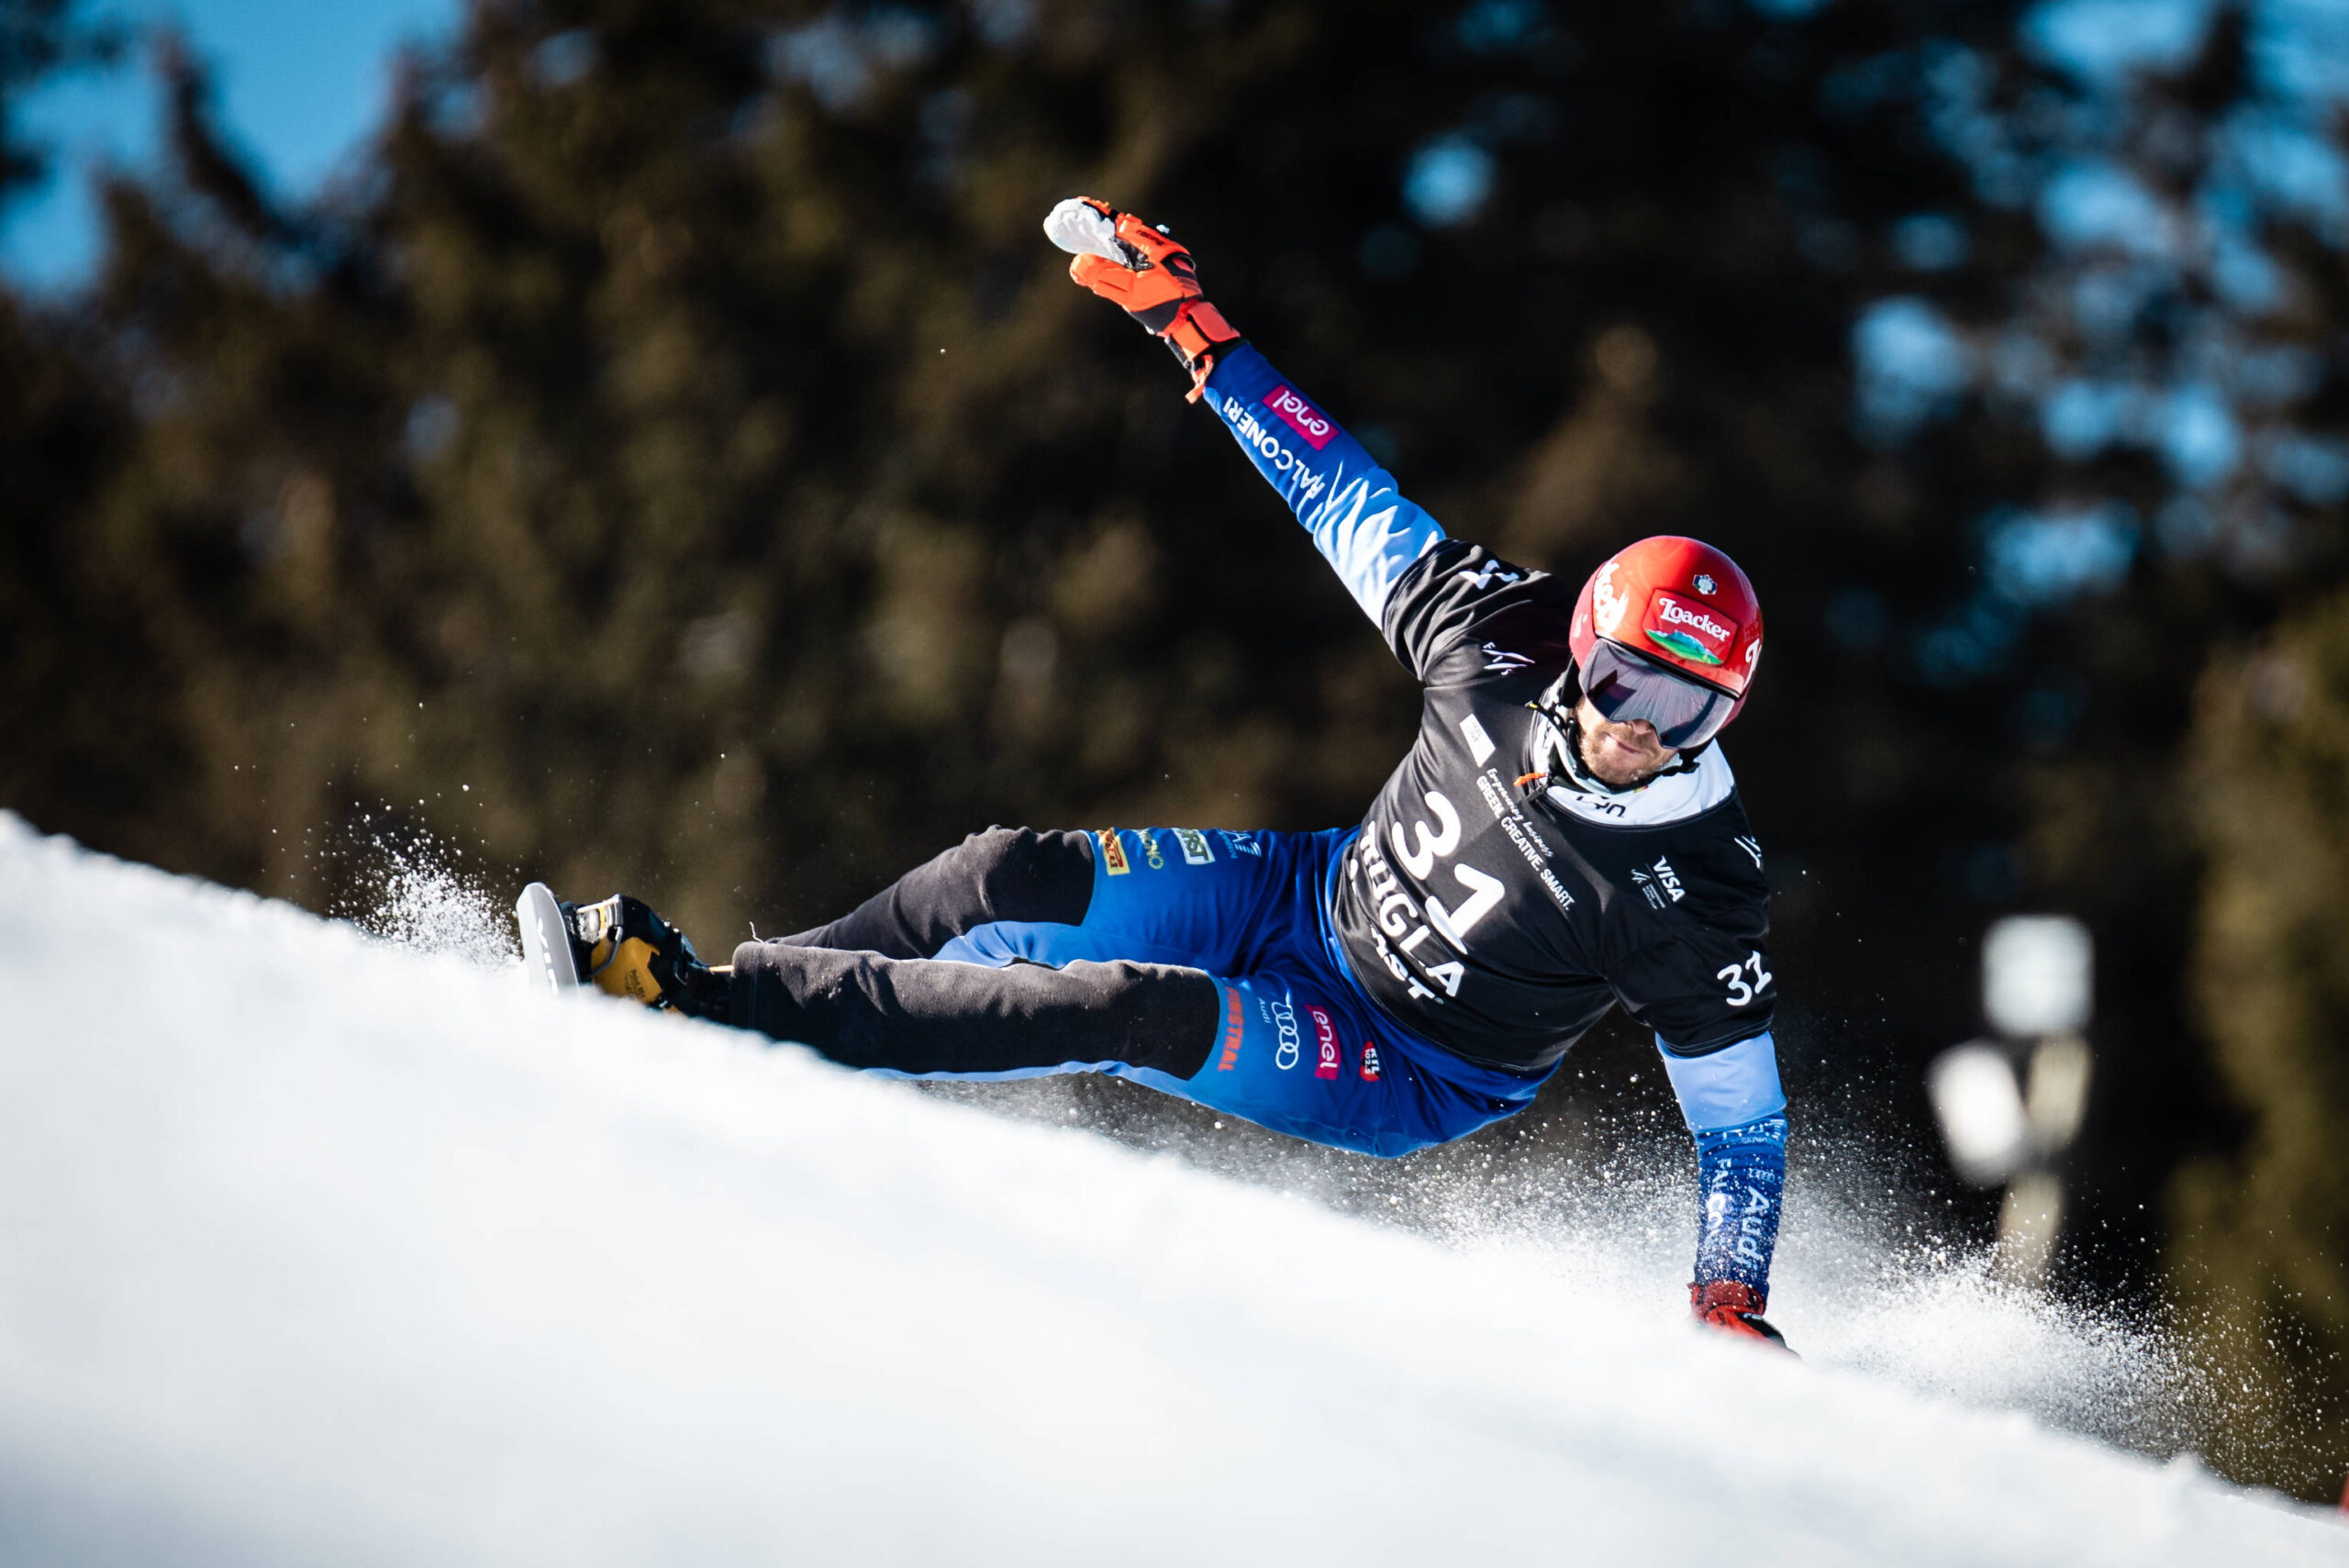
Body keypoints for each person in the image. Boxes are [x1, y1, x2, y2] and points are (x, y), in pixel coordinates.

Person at [559, 198, 1792, 1348]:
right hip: (1306, 892)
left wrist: (1728, 1298)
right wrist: (1193, 327)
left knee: (1126, 1005)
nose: (1645, 727)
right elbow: (1338, 490)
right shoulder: (1494, 633)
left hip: (1405, 1059)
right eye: (1631, 681)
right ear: (1583, 644)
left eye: (1691, 708)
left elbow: (1742, 1129)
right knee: (1004, 875)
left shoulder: (1696, 879)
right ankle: (726, 1019)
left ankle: (712, 1017)